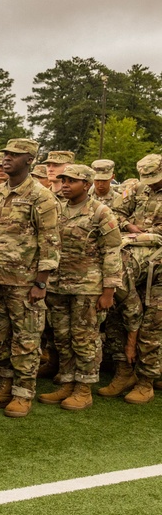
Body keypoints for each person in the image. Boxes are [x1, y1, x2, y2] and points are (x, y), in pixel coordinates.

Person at [0, 139, 59, 417]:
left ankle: (23, 394)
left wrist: (41, 282)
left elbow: (49, 241)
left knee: (26, 340)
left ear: (29, 160)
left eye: (14, 155)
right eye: (6, 154)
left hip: (25, 284)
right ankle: (5, 386)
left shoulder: (41, 196)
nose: (6, 158)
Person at [37, 164, 121, 410]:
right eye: (63, 180)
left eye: (71, 181)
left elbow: (112, 251)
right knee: (62, 337)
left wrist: (109, 291)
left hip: (88, 287)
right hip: (59, 286)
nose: (64, 184)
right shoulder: (57, 210)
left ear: (87, 185)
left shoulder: (100, 212)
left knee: (85, 338)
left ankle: (84, 388)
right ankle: (67, 381)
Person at [112, 154, 162, 403]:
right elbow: (115, 213)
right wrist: (131, 228)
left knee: (153, 323)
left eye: (156, 179)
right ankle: (124, 371)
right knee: (117, 311)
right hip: (134, 255)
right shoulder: (136, 188)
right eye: (148, 179)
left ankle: (146, 382)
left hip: (158, 268)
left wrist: (144, 233)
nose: (151, 184)